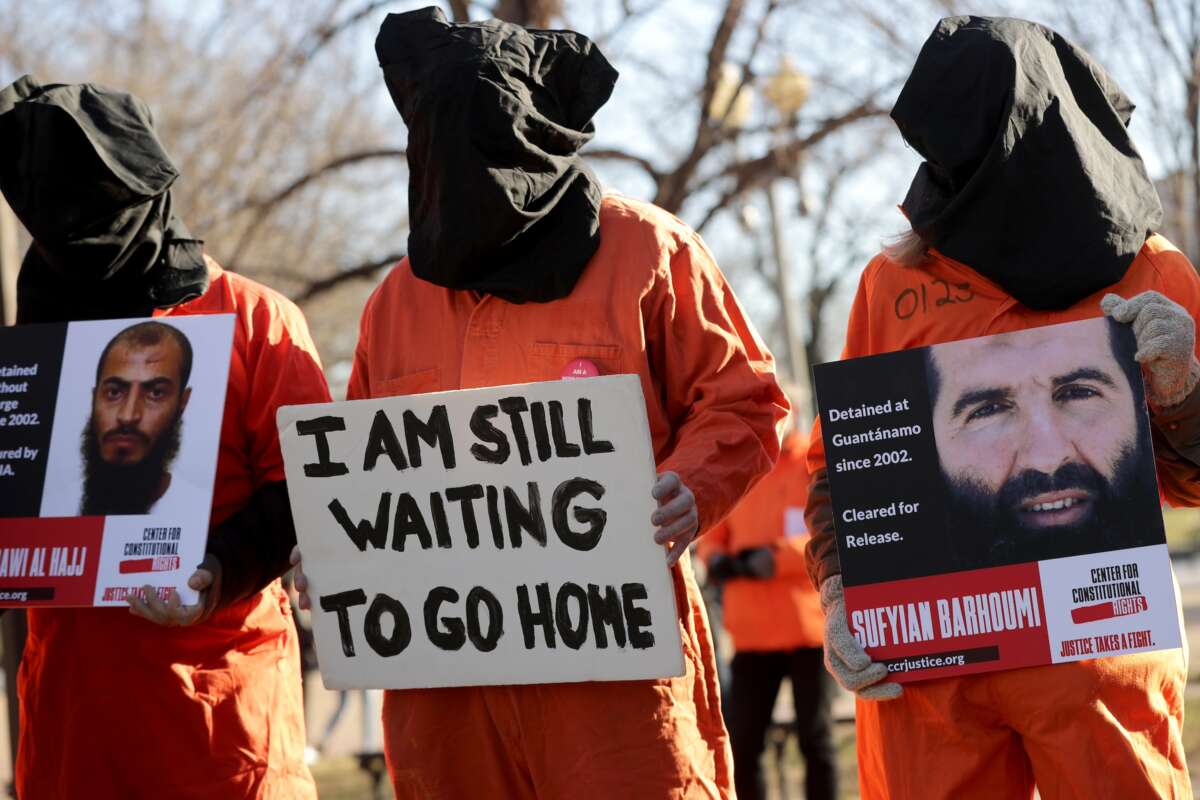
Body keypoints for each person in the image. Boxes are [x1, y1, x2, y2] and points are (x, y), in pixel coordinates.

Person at [292, 8, 789, 798]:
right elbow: (362, 470)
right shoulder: (395, 301)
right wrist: (332, 553)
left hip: (616, 679)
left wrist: (689, 487)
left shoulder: (649, 252)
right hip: (444, 688)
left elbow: (744, 400)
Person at [806, 16, 1198, 798]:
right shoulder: (892, 286)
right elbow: (844, 471)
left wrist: (1182, 390)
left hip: (1098, 657)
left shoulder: (1153, 272)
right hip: (934, 666)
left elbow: (1191, 487)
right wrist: (838, 587)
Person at [0, 75, 331, 798]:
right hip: (69, 730)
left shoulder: (257, 322)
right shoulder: (32, 346)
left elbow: (308, 493)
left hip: (219, 726)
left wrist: (217, 572)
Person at [927, 318, 1160, 568]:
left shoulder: (1154, 283)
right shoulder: (885, 298)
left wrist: (1184, 404)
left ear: (1138, 407)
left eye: (1079, 393)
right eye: (988, 410)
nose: (1047, 459)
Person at [697, 429, 836, 800]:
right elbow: (712, 532)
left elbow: (828, 534)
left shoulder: (813, 463)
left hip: (807, 630)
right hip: (752, 634)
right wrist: (716, 559)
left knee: (816, 740)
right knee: (743, 744)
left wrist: (776, 559)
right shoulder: (741, 468)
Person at [82, 321, 194, 515]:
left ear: (182, 403)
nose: (127, 416)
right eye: (114, 392)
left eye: (156, 393)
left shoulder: (197, 512)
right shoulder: (51, 507)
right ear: (94, 397)